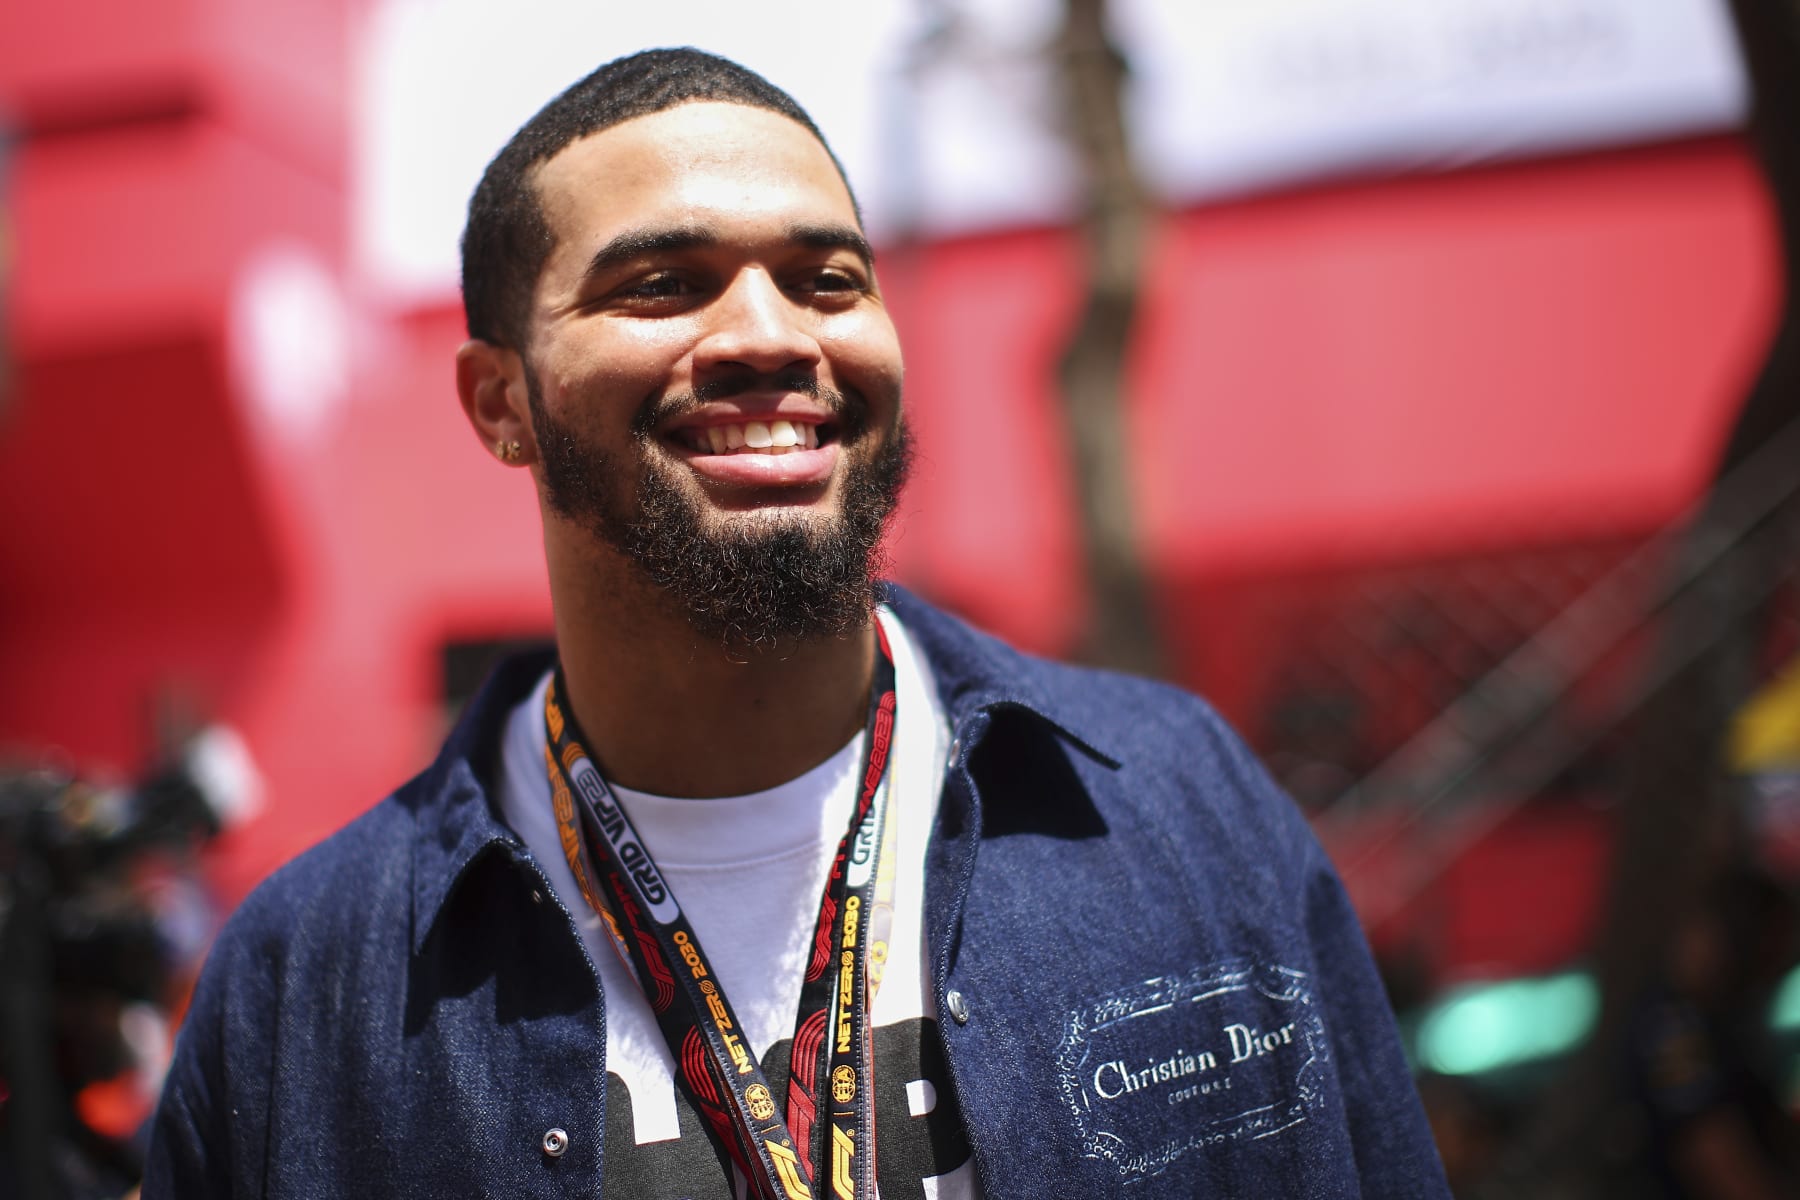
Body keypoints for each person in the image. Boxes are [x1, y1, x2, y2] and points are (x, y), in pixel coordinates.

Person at [143, 47, 1449, 1200]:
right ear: (501, 403)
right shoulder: (305, 991)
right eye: (663, 285)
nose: (771, 337)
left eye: (827, 280)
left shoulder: (1178, 804)